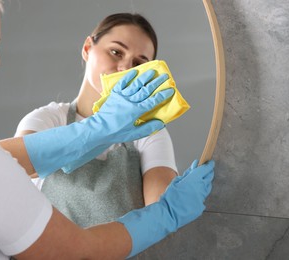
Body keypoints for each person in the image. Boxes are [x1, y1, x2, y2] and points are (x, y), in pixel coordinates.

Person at [0, 0, 215, 259]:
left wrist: (102, 129)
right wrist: (166, 214)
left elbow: (2, 162)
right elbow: (77, 251)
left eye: (140, 62)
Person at [14, 13, 183, 228]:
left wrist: (173, 202)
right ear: (87, 48)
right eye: (116, 52)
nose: (124, 68)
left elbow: (159, 212)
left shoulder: (149, 131)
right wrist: (102, 126)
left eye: (139, 63)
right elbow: (20, 166)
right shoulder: (47, 119)